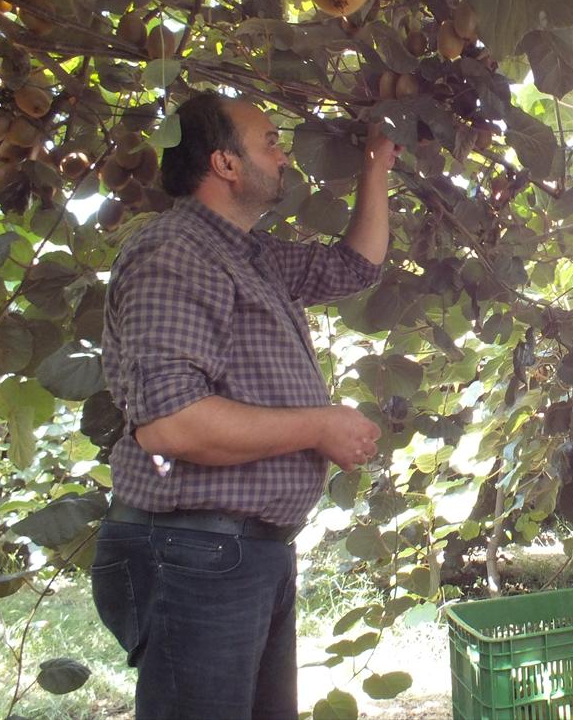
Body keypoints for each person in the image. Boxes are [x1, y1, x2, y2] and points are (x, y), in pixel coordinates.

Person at [92, 92, 399, 719]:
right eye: (269, 143)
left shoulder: (247, 255)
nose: (283, 157)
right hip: (194, 554)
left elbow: (354, 267)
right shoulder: (175, 252)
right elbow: (170, 425)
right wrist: (320, 425)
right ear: (225, 163)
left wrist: (375, 169)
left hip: (238, 553)